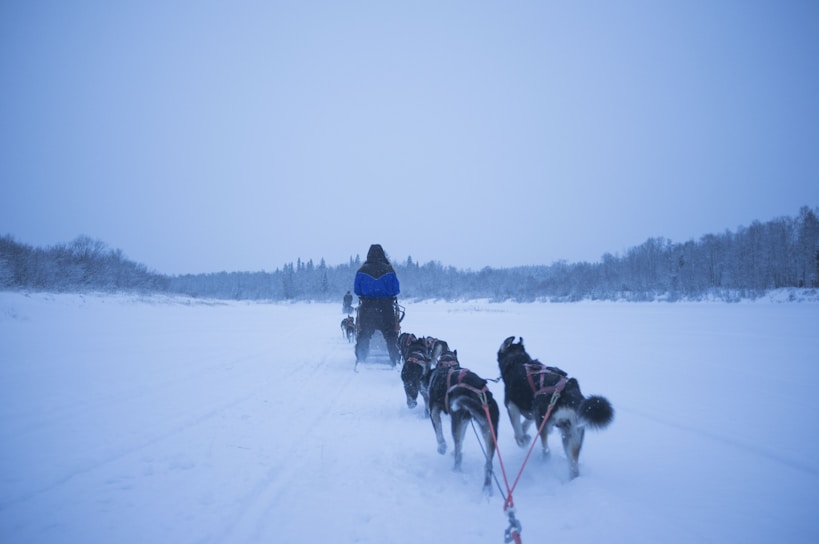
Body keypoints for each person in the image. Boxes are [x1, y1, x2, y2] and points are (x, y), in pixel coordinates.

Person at [354, 244, 400, 365]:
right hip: (386, 307)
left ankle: (361, 358)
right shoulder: (389, 270)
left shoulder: (361, 270)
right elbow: (396, 290)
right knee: (390, 335)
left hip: (367, 307)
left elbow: (357, 290)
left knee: (364, 334)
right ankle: (394, 359)